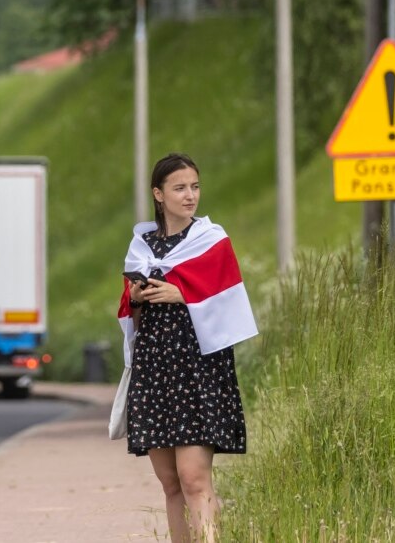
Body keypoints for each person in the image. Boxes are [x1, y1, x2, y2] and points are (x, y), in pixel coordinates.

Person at [117, 153, 258, 543]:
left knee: (195, 478)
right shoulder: (141, 245)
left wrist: (182, 294)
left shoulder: (212, 241)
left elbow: (231, 302)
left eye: (194, 186)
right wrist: (138, 296)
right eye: (180, 188)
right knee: (170, 483)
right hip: (156, 367)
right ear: (158, 194)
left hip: (198, 366)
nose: (190, 195)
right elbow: (132, 317)